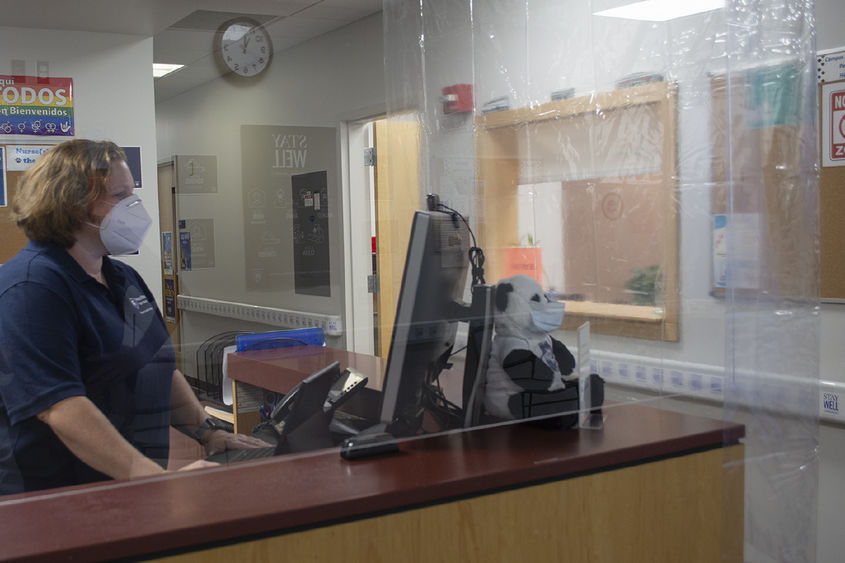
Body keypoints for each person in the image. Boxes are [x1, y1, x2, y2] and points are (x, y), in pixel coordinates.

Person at [0, 140, 268, 495]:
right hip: (54, 495)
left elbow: (158, 365)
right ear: (72, 203)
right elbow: (61, 406)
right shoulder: (31, 286)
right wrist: (149, 475)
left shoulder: (122, 277)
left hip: (127, 484)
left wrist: (209, 432)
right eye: (120, 194)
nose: (134, 206)